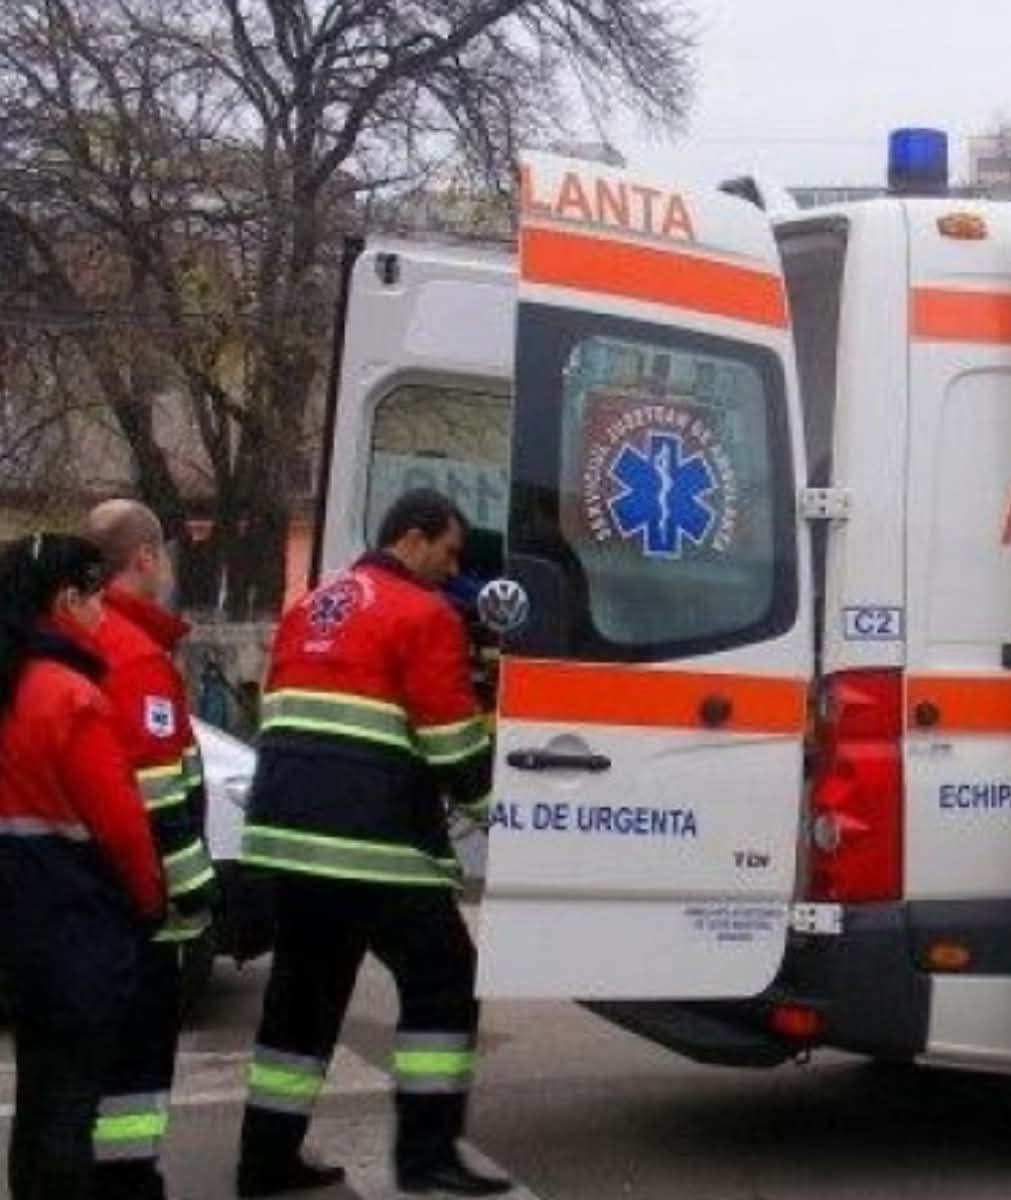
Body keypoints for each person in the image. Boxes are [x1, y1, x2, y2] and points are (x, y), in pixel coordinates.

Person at [237, 489, 511, 1198]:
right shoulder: (423, 614)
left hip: (286, 838)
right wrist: (506, 819)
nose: (455, 570)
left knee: (301, 998)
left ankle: (264, 1162)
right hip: (372, 844)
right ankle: (427, 1158)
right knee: (445, 982)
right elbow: (451, 742)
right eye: (450, 552)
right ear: (413, 538)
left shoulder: (310, 606)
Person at [0, 533, 164, 1200]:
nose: (103, 611)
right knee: (68, 1105)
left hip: (15, 924)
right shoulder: (69, 695)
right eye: (95, 597)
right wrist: (151, 902)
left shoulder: (11, 684)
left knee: (36, 1099)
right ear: (67, 600)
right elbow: (123, 827)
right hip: (74, 927)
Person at [84, 500, 216, 1200]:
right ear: (143, 557)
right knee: (136, 1058)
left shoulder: (77, 632)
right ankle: (128, 1181)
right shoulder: (132, 654)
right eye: (161, 553)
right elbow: (159, 798)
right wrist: (193, 895)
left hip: (85, 894)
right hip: (138, 902)